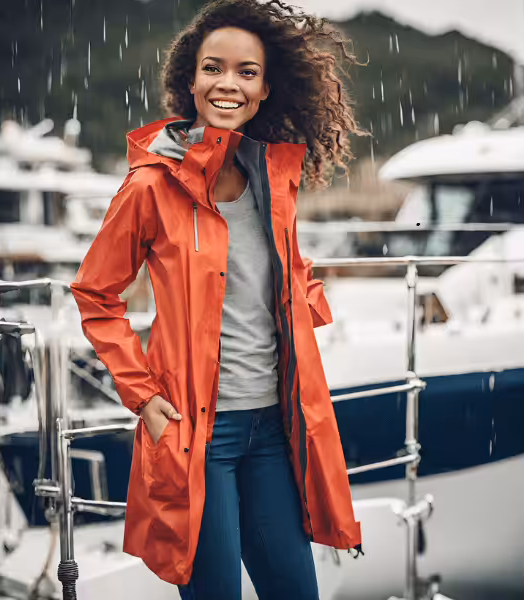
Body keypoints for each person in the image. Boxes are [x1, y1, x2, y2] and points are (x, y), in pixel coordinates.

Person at [70, 0, 367, 598]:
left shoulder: (271, 177)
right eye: (213, 68)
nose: (227, 83)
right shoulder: (151, 185)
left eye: (246, 72)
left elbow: (278, 268)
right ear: (190, 80)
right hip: (199, 436)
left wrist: (306, 299)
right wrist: (144, 397)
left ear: (264, 89)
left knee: (296, 590)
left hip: (275, 429)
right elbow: (97, 295)